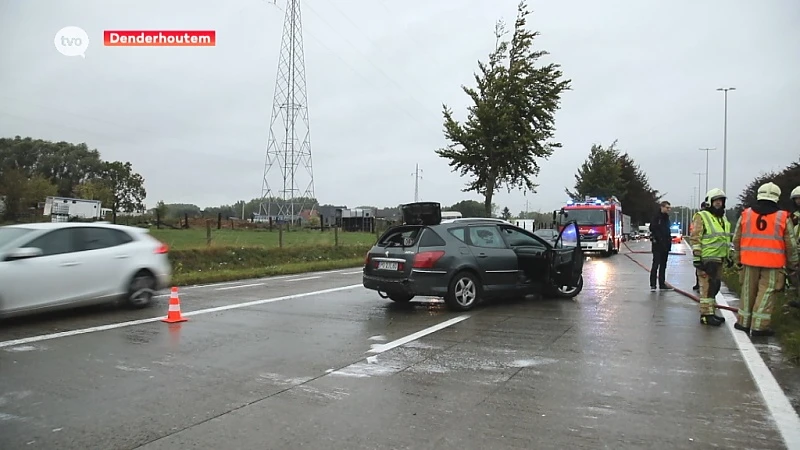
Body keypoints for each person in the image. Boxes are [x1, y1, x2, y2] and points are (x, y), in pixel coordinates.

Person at [732, 182, 799, 336]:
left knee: (748, 292)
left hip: (749, 261)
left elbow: (736, 239)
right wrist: (793, 264)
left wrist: (738, 259)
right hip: (773, 263)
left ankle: (743, 322)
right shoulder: (783, 217)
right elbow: (791, 244)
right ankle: (759, 326)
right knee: (766, 293)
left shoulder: (746, 214)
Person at [690, 189, 732, 326]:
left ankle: (711, 312)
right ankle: (706, 316)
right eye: (716, 201)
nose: (719, 203)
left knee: (715, 287)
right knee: (706, 288)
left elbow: (725, 240)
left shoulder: (722, 219)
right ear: (710, 202)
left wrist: (729, 256)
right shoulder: (702, 216)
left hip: (719, 259)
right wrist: (698, 259)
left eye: (721, 201)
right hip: (706, 260)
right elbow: (695, 238)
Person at [649, 201, 673, 291]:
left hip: (665, 245)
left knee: (663, 265)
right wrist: (658, 238)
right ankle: (653, 284)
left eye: (669, 208)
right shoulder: (656, 217)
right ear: (662, 207)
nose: (668, 210)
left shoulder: (666, 218)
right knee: (656, 265)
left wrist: (668, 244)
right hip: (657, 245)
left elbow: (667, 231)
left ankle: (662, 284)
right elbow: (653, 228)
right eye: (667, 208)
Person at [692, 201, 709, 292]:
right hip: (701, 246)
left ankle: (700, 285)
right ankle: (699, 284)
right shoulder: (699, 216)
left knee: (703, 268)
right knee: (699, 268)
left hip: (708, 247)